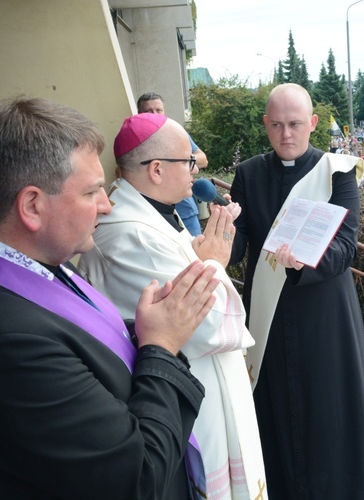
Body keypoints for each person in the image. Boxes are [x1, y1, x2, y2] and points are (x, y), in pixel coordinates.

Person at [0, 97, 220, 498]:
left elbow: (85, 346)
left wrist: (142, 331)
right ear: (32, 206)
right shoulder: (3, 345)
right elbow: (136, 480)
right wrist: (162, 347)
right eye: (92, 192)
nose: (107, 206)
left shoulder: (31, 264)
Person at [78, 113, 266, 498]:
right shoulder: (133, 234)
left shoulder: (151, 213)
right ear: (158, 170)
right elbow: (209, 323)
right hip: (193, 388)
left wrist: (199, 258)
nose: (196, 170)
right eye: (190, 161)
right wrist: (213, 261)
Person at [229, 83, 364, 499]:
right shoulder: (249, 174)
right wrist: (221, 231)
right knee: (275, 415)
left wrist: (304, 263)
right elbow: (240, 246)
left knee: (329, 417)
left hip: (325, 315)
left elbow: (345, 247)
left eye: (295, 124)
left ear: (312, 123)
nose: (286, 134)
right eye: (276, 125)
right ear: (266, 125)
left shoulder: (337, 172)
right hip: (268, 320)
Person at [137, 92, 209, 236]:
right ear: (139, 114)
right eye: (148, 111)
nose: (155, 114)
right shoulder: (135, 140)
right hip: (152, 214)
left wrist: (178, 159)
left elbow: (203, 160)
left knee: (195, 255)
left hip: (185, 211)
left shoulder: (176, 133)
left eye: (159, 110)